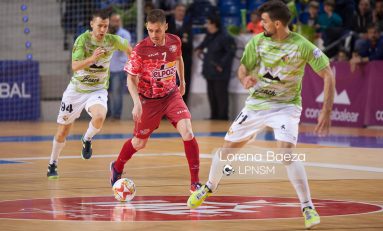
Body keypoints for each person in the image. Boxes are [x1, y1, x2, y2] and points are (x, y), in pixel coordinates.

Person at [187, 1, 335, 229]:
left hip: (286, 106)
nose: (260, 24)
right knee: (225, 151)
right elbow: (243, 68)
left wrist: (326, 109)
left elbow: (328, 74)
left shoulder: (302, 45)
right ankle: (208, 186)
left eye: (264, 21)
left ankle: (308, 207)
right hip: (256, 105)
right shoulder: (256, 42)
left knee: (286, 153)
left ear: (277, 23)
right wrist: (244, 78)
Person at [109, 9, 201, 193]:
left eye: (158, 30)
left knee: (188, 131)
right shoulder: (141, 49)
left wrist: (181, 81)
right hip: (148, 101)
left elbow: (179, 59)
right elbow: (130, 78)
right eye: (150, 30)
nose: (154, 35)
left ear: (165, 27)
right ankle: (117, 166)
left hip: (170, 95)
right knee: (139, 143)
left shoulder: (174, 41)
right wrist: (136, 103)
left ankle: (195, 183)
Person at [47, 9, 132, 179]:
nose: (102, 30)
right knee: (62, 132)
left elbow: (130, 49)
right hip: (76, 91)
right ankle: (52, 164)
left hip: (97, 89)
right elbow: (75, 66)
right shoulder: (82, 40)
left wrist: (133, 64)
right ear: (92, 24)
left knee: (100, 116)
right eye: (99, 25)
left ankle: (86, 139)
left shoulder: (112, 40)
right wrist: (92, 59)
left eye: (105, 26)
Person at [195, 14, 236, 120]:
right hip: (209, 70)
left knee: (221, 95)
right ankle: (214, 116)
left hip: (220, 71)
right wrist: (199, 48)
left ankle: (222, 117)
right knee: (212, 95)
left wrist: (221, 65)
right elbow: (203, 45)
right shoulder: (209, 36)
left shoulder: (225, 37)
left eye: (208, 23)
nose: (206, 25)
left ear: (214, 24)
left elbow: (230, 52)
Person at [167, 3, 194, 104]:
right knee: (168, 85)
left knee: (184, 85)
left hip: (185, 60)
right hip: (169, 61)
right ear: (174, 11)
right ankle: (167, 111)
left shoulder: (188, 26)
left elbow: (189, 45)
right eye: (179, 10)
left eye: (183, 11)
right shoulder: (167, 25)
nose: (181, 13)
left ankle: (182, 109)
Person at [107, 13, 132, 120]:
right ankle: (106, 114)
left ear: (120, 22)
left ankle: (116, 115)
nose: (115, 23)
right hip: (107, 69)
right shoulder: (106, 34)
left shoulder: (124, 34)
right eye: (113, 21)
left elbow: (123, 48)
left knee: (117, 93)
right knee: (104, 93)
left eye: (117, 21)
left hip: (119, 69)